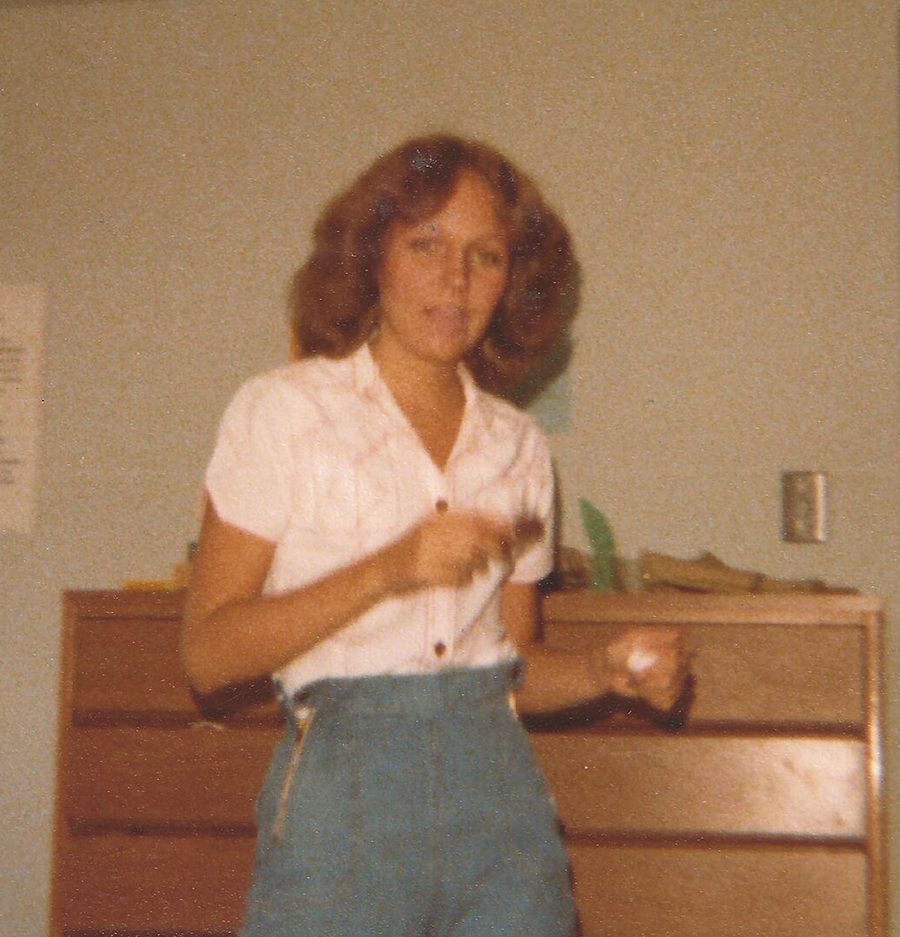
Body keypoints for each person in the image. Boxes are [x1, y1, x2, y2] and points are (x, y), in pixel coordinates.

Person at [181, 134, 688, 937]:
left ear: (512, 282)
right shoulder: (282, 411)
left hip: (501, 808)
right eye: (427, 243)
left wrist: (605, 671)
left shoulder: (519, 445)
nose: (455, 278)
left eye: (486, 256)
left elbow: (515, 668)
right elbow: (207, 657)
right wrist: (390, 569)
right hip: (342, 804)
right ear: (371, 253)